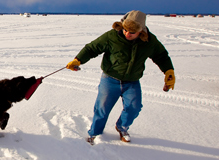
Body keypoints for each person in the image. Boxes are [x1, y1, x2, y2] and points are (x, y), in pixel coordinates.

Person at [66, 10, 175, 145]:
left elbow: (161, 56)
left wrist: (168, 71)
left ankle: (122, 127)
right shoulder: (112, 36)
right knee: (102, 108)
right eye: (125, 30)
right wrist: (78, 60)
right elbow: (92, 48)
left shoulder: (149, 41)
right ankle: (95, 132)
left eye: (132, 32)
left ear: (141, 31)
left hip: (132, 81)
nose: (127, 34)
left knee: (134, 107)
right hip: (110, 79)